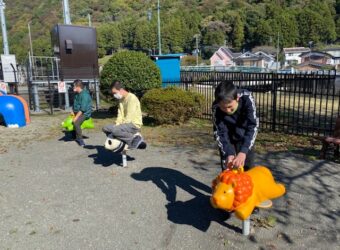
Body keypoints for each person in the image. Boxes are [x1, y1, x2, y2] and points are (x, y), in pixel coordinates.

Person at [212, 81, 258, 171]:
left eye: (230, 107)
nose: (227, 111)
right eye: (223, 108)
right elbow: (220, 132)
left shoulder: (247, 98)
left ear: (237, 98)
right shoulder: (216, 107)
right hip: (227, 138)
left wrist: (243, 151)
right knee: (228, 168)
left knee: (248, 167)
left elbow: (252, 126)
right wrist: (229, 153)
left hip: (244, 135)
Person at [102, 81, 146, 149]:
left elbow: (129, 116)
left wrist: (118, 126)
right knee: (105, 128)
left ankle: (135, 139)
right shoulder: (121, 100)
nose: (114, 95)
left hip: (133, 124)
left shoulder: (132, 98)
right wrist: (117, 123)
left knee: (115, 130)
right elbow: (120, 114)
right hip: (124, 124)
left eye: (115, 93)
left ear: (121, 90)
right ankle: (121, 140)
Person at [71, 79, 92, 147]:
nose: (73, 87)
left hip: (84, 113)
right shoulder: (77, 94)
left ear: (78, 86)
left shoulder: (85, 95)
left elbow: (83, 109)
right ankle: (74, 135)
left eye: (74, 86)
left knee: (76, 123)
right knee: (70, 121)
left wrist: (76, 117)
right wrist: (72, 111)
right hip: (77, 112)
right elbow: (75, 104)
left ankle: (80, 139)